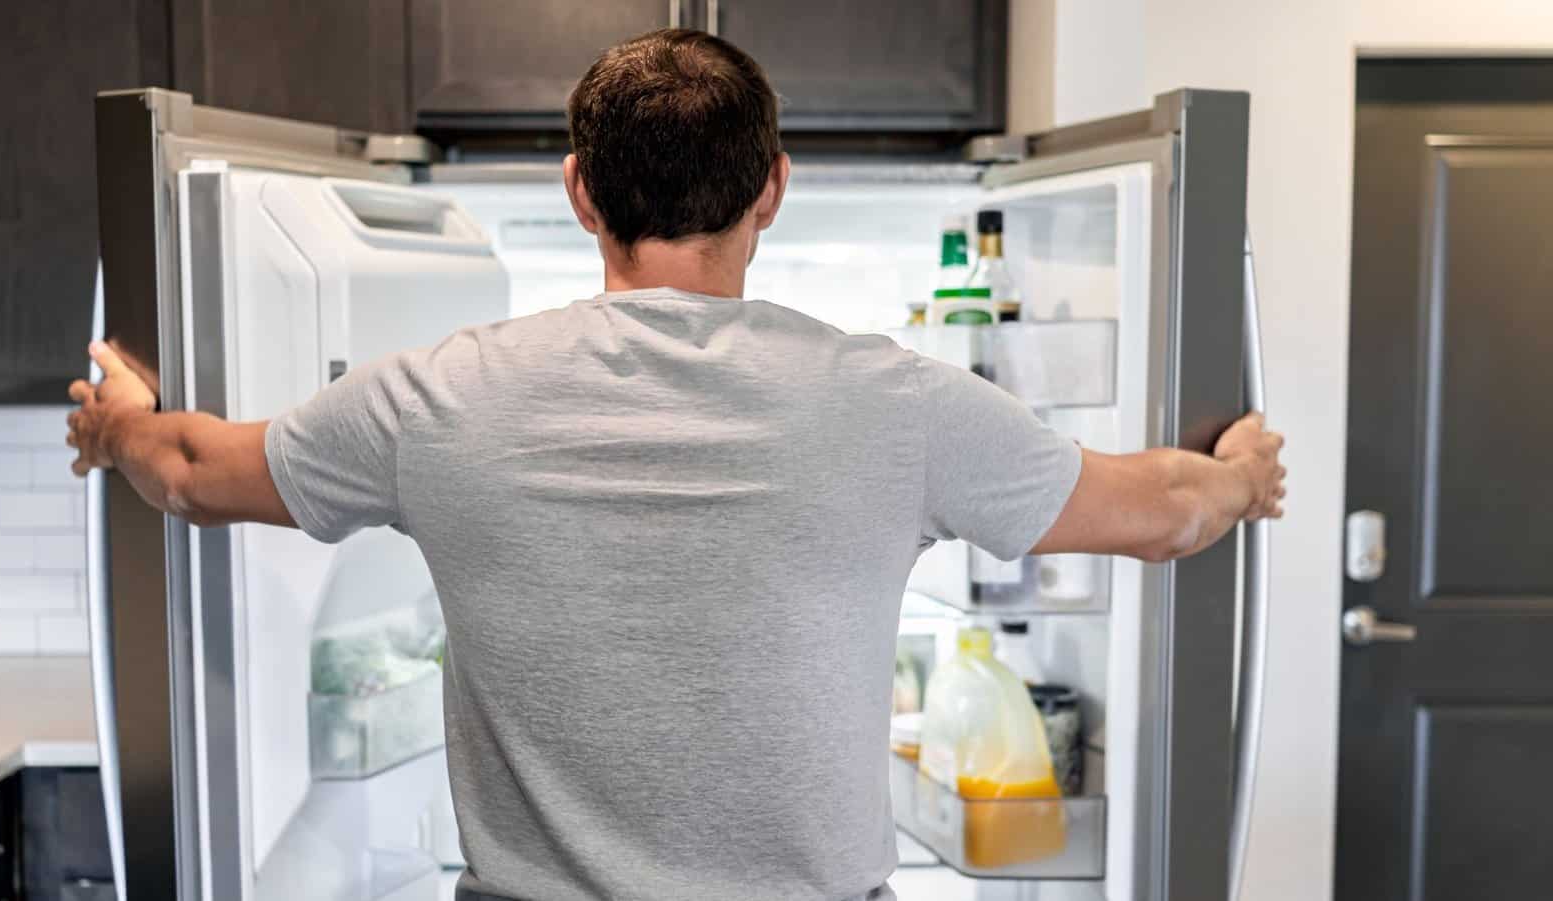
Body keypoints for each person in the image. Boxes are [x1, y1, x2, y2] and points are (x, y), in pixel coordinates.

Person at [66, 28, 1284, 901]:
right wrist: (1240, 472)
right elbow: (1161, 511)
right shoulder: (900, 404)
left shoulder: (438, 395)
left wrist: (115, 418)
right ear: (772, 190)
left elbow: (185, 468)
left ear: (580, 192)